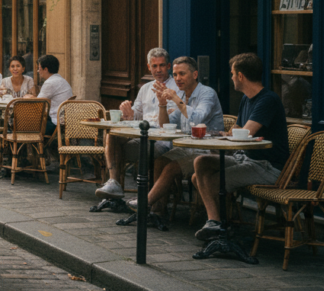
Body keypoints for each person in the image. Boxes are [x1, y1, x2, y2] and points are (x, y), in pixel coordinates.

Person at [191, 53, 289, 240]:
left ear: (241, 76)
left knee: (208, 182)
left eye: (232, 74)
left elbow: (246, 134)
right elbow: (236, 130)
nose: (232, 78)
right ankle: (218, 223)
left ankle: (218, 225)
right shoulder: (246, 98)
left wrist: (230, 137)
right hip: (246, 159)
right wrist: (218, 135)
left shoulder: (267, 100)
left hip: (267, 166)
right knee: (201, 163)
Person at [127, 56, 225, 214]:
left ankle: (145, 204)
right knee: (160, 161)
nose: (178, 78)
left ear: (194, 75)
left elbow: (198, 118)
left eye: (182, 74)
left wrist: (175, 99)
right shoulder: (183, 96)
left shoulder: (207, 93)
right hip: (189, 148)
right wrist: (162, 104)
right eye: (176, 74)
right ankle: (157, 210)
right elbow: (165, 125)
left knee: (171, 167)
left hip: (208, 150)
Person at [95, 48, 180, 199]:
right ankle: (114, 182)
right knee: (112, 135)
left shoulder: (177, 88)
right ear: (149, 67)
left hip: (162, 142)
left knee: (117, 148)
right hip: (142, 137)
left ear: (168, 66)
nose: (158, 70)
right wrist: (128, 112)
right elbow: (136, 115)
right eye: (154, 66)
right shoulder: (146, 88)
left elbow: (174, 121)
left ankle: (145, 200)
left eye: (161, 65)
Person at [32, 54, 73, 135]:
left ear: (45, 69)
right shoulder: (60, 80)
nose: (38, 71)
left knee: (22, 123)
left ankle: (21, 145)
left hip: (55, 124)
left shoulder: (50, 82)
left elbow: (37, 103)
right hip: (65, 122)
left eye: (39, 68)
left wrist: (29, 97)